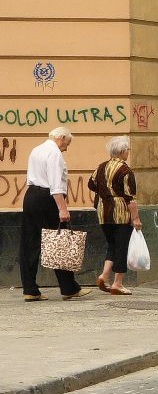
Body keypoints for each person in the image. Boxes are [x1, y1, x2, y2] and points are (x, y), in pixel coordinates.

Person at [20, 127, 90, 301]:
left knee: (29, 243)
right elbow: (55, 183)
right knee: (62, 241)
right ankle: (68, 288)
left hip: (31, 196)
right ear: (62, 138)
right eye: (67, 143)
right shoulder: (54, 153)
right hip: (48, 200)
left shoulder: (36, 150)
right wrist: (63, 208)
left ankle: (30, 289)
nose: (66, 148)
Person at [89, 136, 141, 296]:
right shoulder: (125, 170)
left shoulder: (101, 167)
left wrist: (105, 192)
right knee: (121, 247)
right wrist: (136, 218)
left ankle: (104, 276)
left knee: (112, 244)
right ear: (122, 151)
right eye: (127, 150)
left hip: (103, 211)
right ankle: (117, 283)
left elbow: (91, 184)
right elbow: (129, 196)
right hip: (120, 212)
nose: (128, 153)